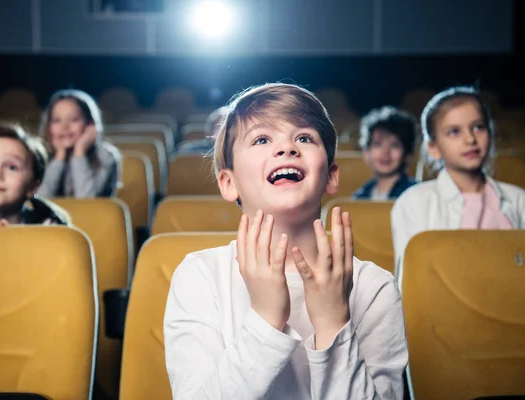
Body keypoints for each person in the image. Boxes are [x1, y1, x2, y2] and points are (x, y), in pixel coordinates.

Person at [164, 83, 408, 399]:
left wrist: (335, 324)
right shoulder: (198, 276)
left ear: (331, 176)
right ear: (229, 182)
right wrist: (266, 320)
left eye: (304, 138)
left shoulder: (374, 288)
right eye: (262, 139)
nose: (286, 148)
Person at [391, 86, 525, 276]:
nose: (470, 139)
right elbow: (411, 282)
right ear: (433, 147)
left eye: (478, 127)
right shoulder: (413, 203)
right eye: (454, 131)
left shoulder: (519, 199)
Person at [38, 89, 121, 198]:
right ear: (48, 125)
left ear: (89, 124)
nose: (64, 127)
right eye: (56, 120)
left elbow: (86, 202)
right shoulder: (40, 154)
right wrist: (59, 157)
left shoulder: (106, 156)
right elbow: (41, 199)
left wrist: (79, 152)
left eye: (74, 119)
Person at [354, 106, 418, 200]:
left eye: (394, 145)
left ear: (407, 154)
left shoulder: (416, 193)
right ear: (366, 151)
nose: (385, 153)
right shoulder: (360, 196)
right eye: (378, 144)